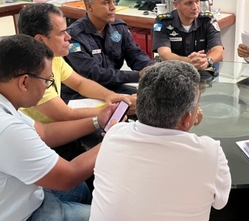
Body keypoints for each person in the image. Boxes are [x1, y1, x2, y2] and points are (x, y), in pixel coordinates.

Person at [0, 35, 118, 220]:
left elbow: (44, 132)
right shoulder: (5, 129)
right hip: (12, 214)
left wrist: (97, 121)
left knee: (82, 189)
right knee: (113, 216)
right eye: (46, 81)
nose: (46, 88)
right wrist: (113, 138)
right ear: (24, 82)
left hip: (2, 199)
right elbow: (68, 176)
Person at [90, 61, 231, 220]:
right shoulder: (210, 152)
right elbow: (220, 203)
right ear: (186, 118)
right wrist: (188, 124)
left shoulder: (113, 135)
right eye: (196, 105)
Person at [18, 3, 133, 124]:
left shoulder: (51, 55)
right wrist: (118, 110)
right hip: (47, 134)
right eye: (61, 33)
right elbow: (66, 115)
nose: (68, 37)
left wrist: (110, 95)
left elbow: (80, 83)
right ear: (40, 40)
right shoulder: (31, 72)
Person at [65, 0, 155, 97]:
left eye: (114, 1)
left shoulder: (119, 27)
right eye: (106, 2)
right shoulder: (74, 36)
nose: (113, 7)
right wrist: (137, 75)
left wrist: (152, 68)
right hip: (83, 93)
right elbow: (93, 73)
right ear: (89, 6)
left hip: (113, 86)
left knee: (153, 101)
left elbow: (135, 55)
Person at [152, 0, 224, 74]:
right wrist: (189, 62)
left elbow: (219, 51)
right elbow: (165, 55)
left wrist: (207, 61)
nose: (195, 7)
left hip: (200, 70)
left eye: (197, 1)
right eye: (189, 3)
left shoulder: (207, 20)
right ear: (176, 5)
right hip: (173, 71)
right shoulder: (163, 22)